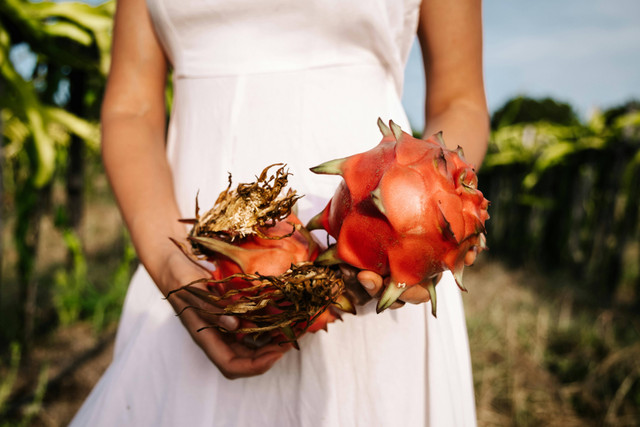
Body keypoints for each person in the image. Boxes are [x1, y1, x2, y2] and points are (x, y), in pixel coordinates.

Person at [72, 0, 488, 425]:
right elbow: (131, 110)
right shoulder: (177, 267)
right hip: (192, 265)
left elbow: (461, 100)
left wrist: (432, 221)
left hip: (385, 263)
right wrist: (168, 263)